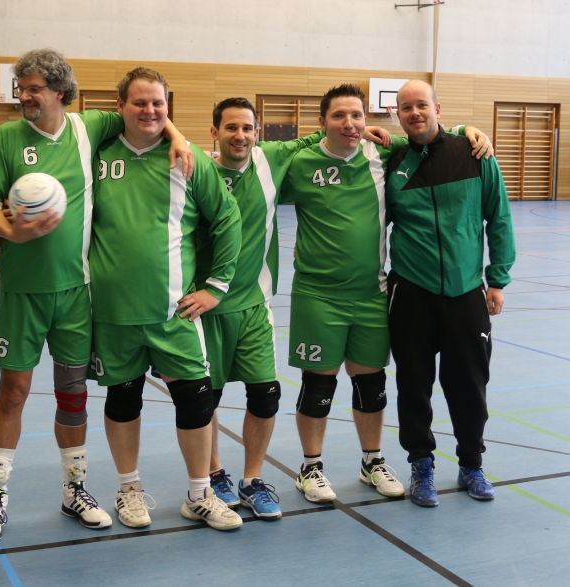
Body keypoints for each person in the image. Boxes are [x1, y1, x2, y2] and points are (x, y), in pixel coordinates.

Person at [0, 50, 193, 542]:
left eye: (33, 88)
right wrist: (13, 231)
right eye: (21, 88)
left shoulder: (88, 128)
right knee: (13, 392)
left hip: (76, 294)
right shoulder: (5, 138)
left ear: (60, 92)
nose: (25, 96)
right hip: (23, 293)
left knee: (73, 395)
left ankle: (75, 489)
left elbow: (148, 113)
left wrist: (177, 136)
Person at [280, 83, 492, 504]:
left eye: (357, 116)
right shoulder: (299, 163)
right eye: (338, 116)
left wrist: (465, 129)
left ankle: (372, 461)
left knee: (371, 384)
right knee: (318, 386)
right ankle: (311, 467)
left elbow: (427, 137)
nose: (349, 123)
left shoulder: (383, 154)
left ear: (368, 120)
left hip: (371, 293)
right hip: (317, 295)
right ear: (322, 121)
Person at [200, 98, 389, 519]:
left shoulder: (270, 160)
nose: (240, 136)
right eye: (230, 127)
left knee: (266, 395)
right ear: (214, 132)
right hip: (210, 304)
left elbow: (423, 133)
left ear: (258, 132)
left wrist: (464, 130)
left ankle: (253, 480)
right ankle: (214, 476)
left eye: (247, 128)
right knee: (206, 397)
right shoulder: (198, 171)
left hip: (259, 303)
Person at [89, 67, 243, 531]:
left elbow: (227, 220)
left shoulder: (188, 159)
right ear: (120, 106)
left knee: (195, 399)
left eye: (158, 103)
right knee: (123, 400)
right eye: (139, 102)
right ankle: (129, 489)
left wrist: (216, 286)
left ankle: (199, 494)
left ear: (168, 107)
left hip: (174, 312)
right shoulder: (95, 154)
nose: (150, 110)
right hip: (113, 312)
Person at [385, 79, 515, 507]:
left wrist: (497, 279)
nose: (415, 113)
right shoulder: (391, 160)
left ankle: (471, 464)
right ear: (397, 114)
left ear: (437, 109)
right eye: (406, 107)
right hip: (411, 292)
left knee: (469, 386)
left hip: (465, 291)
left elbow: (498, 216)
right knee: (413, 386)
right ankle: (421, 464)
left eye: (422, 105)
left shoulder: (474, 152)